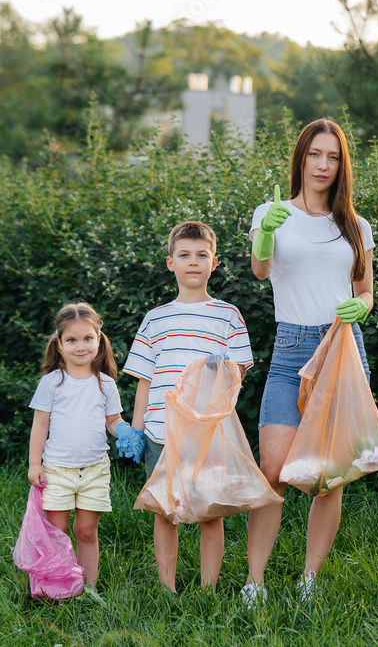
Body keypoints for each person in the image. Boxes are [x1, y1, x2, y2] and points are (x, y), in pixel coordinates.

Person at [243, 118, 375, 605]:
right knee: (273, 468)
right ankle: (253, 582)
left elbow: (366, 292)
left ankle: (308, 580)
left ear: (342, 165)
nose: (323, 165)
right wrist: (265, 236)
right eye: (315, 154)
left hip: (342, 346)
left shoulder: (355, 225)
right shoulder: (272, 211)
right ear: (301, 158)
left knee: (329, 475)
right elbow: (260, 271)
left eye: (333, 157)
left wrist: (360, 306)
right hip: (291, 344)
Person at [123, 221, 254, 592]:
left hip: (207, 433)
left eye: (201, 255)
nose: (192, 262)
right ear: (170, 263)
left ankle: (207, 589)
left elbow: (237, 374)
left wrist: (215, 416)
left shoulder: (228, 315)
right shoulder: (156, 318)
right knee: (166, 511)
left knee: (209, 510)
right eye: (184, 255)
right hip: (160, 432)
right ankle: (167, 589)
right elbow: (145, 380)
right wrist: (136, 428)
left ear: (215, 262)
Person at [28, 301, 140, 600]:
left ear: (99, 339)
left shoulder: (106, 384)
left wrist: (125, 431)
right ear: (60, 344)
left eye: (88, 338)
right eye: (72, 340)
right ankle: (58, 586)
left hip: (94, 470)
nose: (81, 346)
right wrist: (34, 464)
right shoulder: (52, 383)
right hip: (56, 470)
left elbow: (113, 420)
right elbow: (40, 426)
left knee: (87, 531)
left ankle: (87, 588)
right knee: (57, 532)